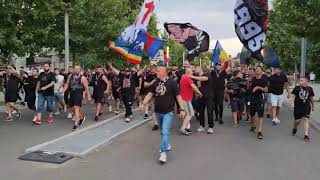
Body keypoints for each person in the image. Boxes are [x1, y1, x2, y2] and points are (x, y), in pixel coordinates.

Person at [140, 66, 186, 164]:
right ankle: (167, 144)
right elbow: (150, 94)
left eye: (158, 71)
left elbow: (178, 96)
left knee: (165, 131)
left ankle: (163, 153)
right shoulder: (156, 82)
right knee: (162, 131)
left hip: (168, 112)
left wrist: (182, 109)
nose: (156, 72)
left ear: (164, 72)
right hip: (158, 112)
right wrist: (143, 103)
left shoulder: (172, 83)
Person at [64, 65, 91, 131]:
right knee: (71, 108)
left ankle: (76, 124)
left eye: (78, 69)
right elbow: (67, 84)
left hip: (79, 95)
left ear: (80, 70)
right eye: (75, 69)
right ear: (73, 69)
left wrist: (89, 96)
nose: (77, 70)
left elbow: (86, 88)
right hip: (72, 94)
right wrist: (63, 91)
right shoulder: (70, 76)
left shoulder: (83, 78)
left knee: (76, 108)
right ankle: (81, 117)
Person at [179, 68, 202, 135]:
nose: (192, 72)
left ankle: (185, 128)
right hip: (185, 99)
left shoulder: (183, 77)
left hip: (186, 99)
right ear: (188, 72)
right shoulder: (187, 78)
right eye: (191, 71)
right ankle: (183, 128)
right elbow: (194, 86)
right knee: (190, 114)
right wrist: (199, 93)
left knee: (189, 114)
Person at [291, 77, 314, 142]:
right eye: (300, 80)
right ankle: (295, 128)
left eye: (302, 80)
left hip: (306, 107)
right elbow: (293, 96)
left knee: (306, 119)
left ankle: (306, 135)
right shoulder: (296, 88)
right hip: (298, 107)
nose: (300, 81)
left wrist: (313, 106)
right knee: (297, 121)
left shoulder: (310, 89)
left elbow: (312, 98)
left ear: (306, 81)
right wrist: (292, 103)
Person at [249, 66, 269, 139]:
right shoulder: (253, 79)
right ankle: (253, 125)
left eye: (259, 69)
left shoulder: (264, 79)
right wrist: (248, 81)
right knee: (252, 114)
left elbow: (266, 90)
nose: (257, 70)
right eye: (256, 69)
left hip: (260, 99)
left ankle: (260, 131)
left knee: (260, 115)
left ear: (261, 71)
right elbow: (248, 89)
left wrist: (258, 87)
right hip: (252, 98)